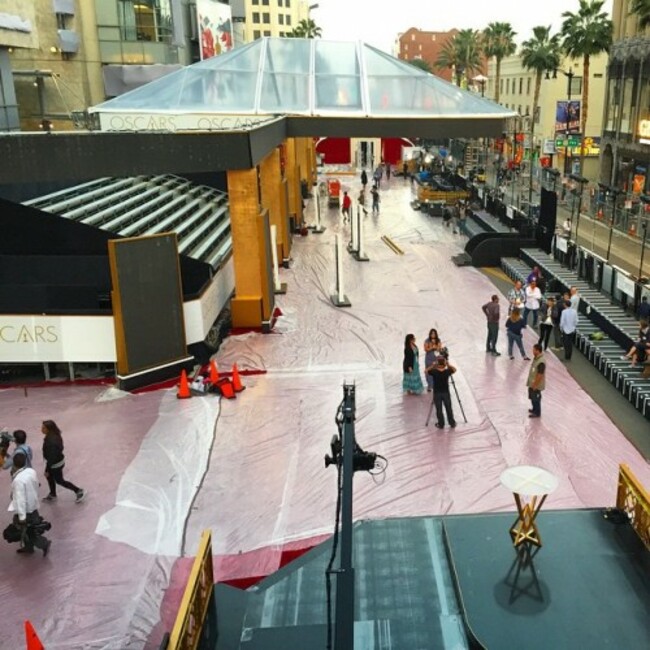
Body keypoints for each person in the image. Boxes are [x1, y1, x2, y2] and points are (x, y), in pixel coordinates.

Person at [9, 453, 51, 556]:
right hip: (33, 505)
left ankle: (43, 544)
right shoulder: (31, 472)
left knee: (28, 530)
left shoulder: (18, 480)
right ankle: (28, 547)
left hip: (26, 510)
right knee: (30, 529)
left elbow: (20, 500)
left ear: (14, 464)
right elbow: (36, 484)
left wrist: (22, 517)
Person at [41, 420, 86, 503]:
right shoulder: (54, 435)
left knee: (59, 480)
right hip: (58, 461)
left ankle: (78, 490)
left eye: (43, 428)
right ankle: (52, 493)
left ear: (49, 429)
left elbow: (52, 457)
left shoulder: (51, 442)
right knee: (49, 477)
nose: (41, 429)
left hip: (55, 464)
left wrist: (47, 469)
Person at [426, 356, 457, 429]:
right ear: (444, 363)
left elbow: (426, 371)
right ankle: (452, 423)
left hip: (437, 393)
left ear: (437, 363)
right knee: (448, 408)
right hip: (446, 392)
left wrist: (433, 365)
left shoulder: (434, 372)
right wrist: (448, 364)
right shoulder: (447, 371)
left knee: (439, 409)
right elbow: (455, 370)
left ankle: (441, 423)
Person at [526, 343, 546, 418]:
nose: (532, 351)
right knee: (532, 396)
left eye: (534, 350)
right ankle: (534, 409)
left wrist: (535, 384)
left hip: (536, 384)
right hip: (532, 382)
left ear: (538, 350)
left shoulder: (541, 362)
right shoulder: (536, 358)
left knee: (536, 398)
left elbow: (540, 375)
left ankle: (537, 413)